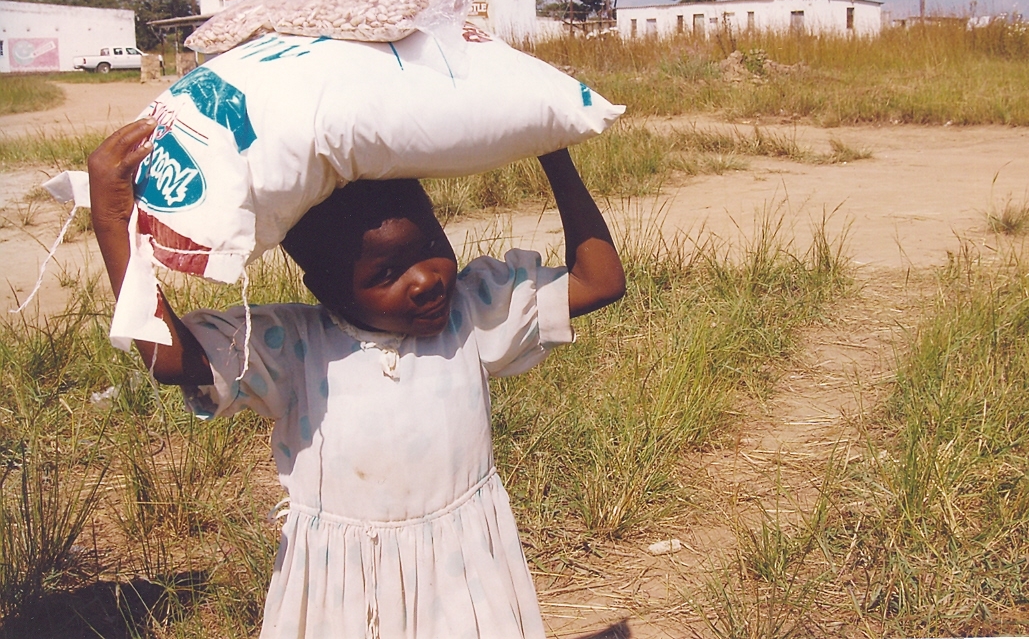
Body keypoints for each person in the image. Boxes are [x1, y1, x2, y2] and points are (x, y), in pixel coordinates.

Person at [88, 118, 626, 639]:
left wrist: (553, 150)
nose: (426, 281)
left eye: (432, 248)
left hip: (464, 576)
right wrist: (112, 223)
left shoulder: (474, 309)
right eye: (386, 275)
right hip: (345, 595)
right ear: (325, 286)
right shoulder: (293, 345)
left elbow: (598, 282)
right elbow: (172, 362)